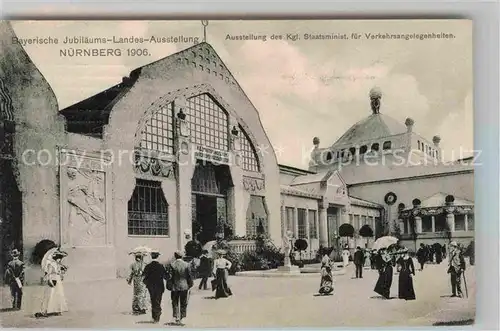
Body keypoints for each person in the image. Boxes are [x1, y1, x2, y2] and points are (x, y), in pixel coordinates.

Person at [36, 249, 69, 318]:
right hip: (53, 279)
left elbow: (59, 273)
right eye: (59, 259)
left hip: (57, 279)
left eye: (60, 259)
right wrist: (50, 280)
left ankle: (57, 309)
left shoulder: (57, 265)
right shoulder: (50, 264)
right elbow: (49, 273)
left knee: (58, 294)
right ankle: (45, 310)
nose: (60, 260)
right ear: (56, 258)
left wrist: (62, 272)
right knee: (50, 294)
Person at [166, 251, 193, 325]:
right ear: (182, 256)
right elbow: (189, 276)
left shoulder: (172, 265)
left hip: (175, 286)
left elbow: (170, 277)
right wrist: (190, 284)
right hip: (184, 286)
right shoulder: (187, 264)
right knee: (183, 302)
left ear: (175, 256)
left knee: (175, 302)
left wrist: (169, 285)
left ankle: (176, 316)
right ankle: (183, 317)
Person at [143, 250, 167, 323]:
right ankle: (157, 315)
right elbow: (165, 276)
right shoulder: (161, 266)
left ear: (151, 256)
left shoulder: (148, 266)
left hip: (151, 286)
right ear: (158, 256)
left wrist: (147, 283)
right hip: (159, 286)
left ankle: (154, 316)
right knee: (158, 300)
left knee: (153, 300)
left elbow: (144, 276)